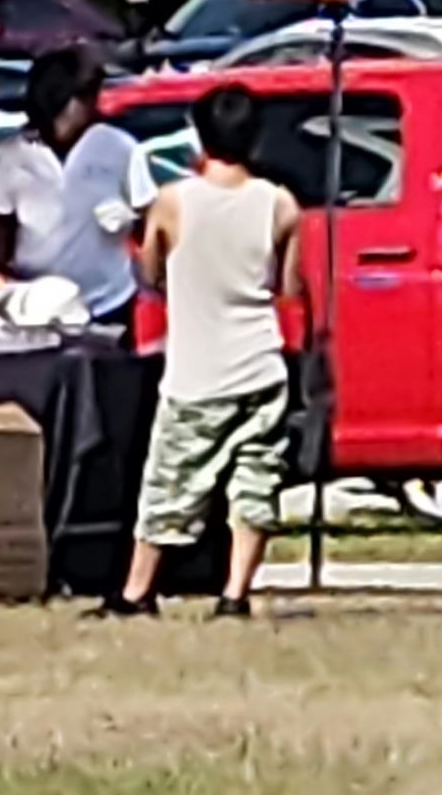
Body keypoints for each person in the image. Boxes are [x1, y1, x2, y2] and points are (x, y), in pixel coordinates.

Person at [105, 84, 303, 620]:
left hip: (198, 368)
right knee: (254, 479)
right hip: (261, 360)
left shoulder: (175, 201)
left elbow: (150, 275)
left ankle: (137, 592)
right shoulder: (280, 204)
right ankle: (236, 593)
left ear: (200, 135)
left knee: (170, 480)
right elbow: (287, 285)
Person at [0, 45, 156, 337]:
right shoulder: (13, 156)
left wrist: (129, 221)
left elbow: (150, 223)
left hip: (108, 303)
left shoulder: (119, 147)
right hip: (38, 310)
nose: (95, 103)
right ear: (62, 100)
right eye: (87, 95)